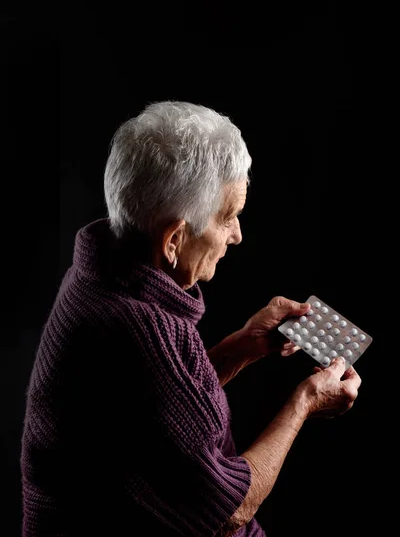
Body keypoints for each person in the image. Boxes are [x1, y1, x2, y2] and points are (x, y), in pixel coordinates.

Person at [21, 101, 361, 536]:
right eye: (228, 217)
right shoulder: (137, 329)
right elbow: (226, 511)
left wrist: (244, 345)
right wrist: (306, 401)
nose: (237, 236)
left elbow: (155, 417)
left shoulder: (99, 272)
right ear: (175, 239)